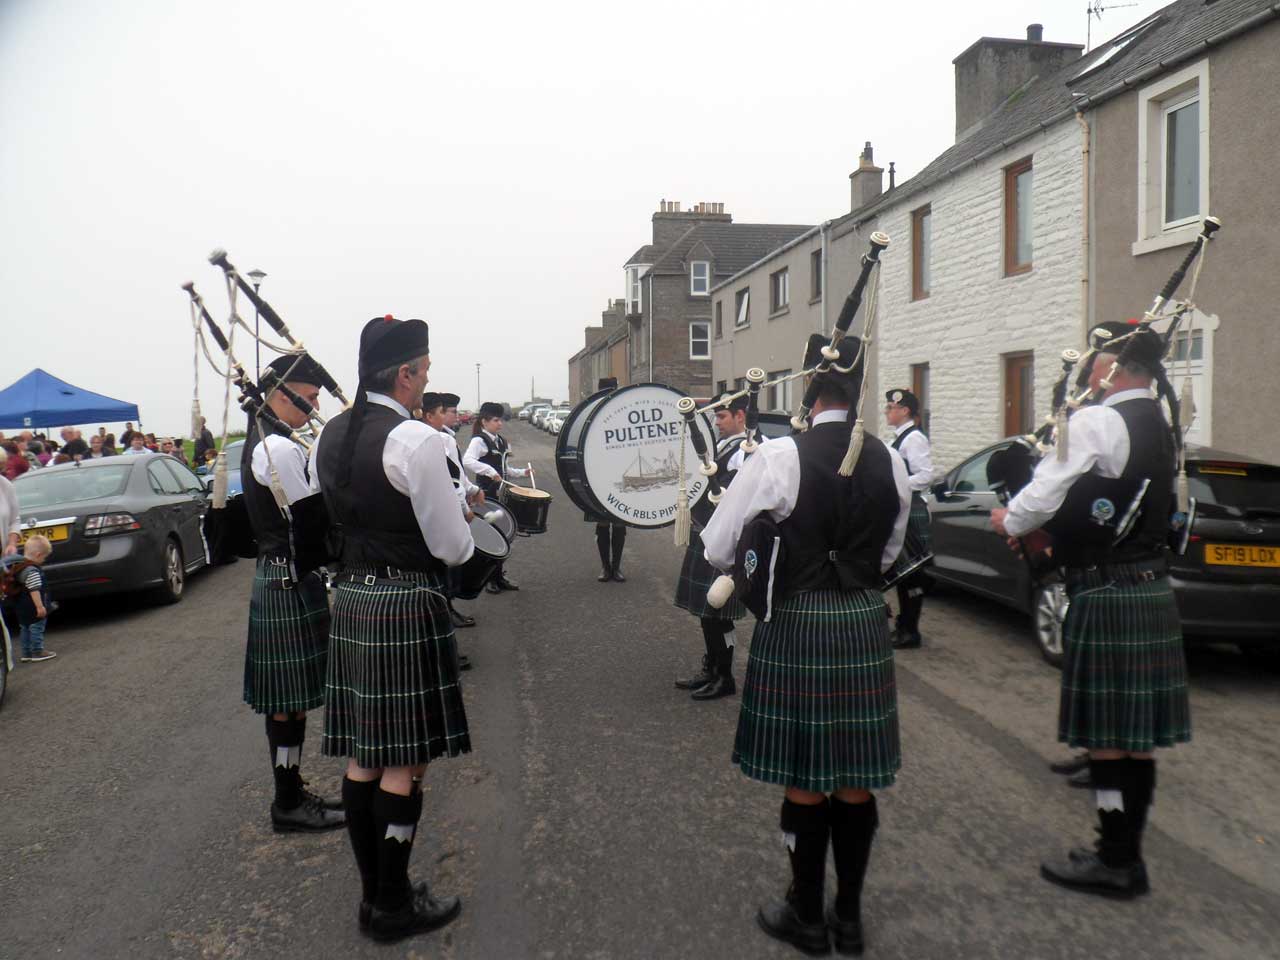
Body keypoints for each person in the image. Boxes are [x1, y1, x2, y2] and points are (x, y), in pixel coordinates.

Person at [702, 334, 911, 956]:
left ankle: (805, 912)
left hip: (797, 620)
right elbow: (891, 549)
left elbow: (719, 545)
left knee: (803, 772)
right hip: (863, 619)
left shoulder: (778, 457)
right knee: (853, 774)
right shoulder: (890, 459)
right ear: (858, 388)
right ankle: (848, 917)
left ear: (811, 390)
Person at [991, 321, 1190, 900]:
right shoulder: (1161, 422)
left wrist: (1013, 519)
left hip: (1107, 591)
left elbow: (1048, 487)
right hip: (1150, 587)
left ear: (1112, 368)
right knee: (1135, 741)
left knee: (1107, 739)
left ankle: (1114, 857)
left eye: (1099, 362)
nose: (1093, 374)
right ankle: (1126, 853)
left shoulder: (1101, 420)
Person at [313, 315, 473, 943]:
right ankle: (393, 906)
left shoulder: (328, 435)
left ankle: (374, 895)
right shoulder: (415, 442)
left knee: (362, 758)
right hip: (405, 603)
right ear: (405, 374)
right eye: (424, 372)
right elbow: (454, 546)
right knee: (404, 763)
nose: (426, 381)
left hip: (351, 601)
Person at [241, 353, 345, 835]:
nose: (315, 404)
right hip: (288, 574)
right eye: (311, 396)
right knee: (287, 701)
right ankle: (286, 802)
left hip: (279, 572)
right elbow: (310, 522)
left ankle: (290, 792)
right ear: (283, 394)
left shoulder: (267, 439)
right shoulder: (277, 448)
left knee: (290, 701)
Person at [673, 392, 753, 701]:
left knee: (719, 613)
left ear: (740, 417)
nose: (716, 422)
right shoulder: (720, 447)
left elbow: (739, 497)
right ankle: (712, 668)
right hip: (707, 533)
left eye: (722, 416)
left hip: (726, 540)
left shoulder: (747, 451)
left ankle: (725, 677)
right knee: (707, 613)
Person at [421, 391, 478, 647]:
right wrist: (464, 506)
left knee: (446, 569)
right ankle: (446, 613)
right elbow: (451, 480)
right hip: (446, 508)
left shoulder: (446, 437)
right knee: (445, 567)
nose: (449, 416)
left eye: (451, 411)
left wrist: (472, 490)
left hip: (446, 505)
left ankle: (449, 608)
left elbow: (458, 474)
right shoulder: (438, 439)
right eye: (445, 411)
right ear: (429, 414)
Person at [883, 389, 934, 649]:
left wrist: (896, 484)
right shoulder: (900, 437)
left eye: (891, 407)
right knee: (903, 574)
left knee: (911, 572)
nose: (887, 411)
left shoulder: (913, 438)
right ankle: (904, 626)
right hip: (903, 507)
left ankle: (910, 630)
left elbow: (925, 475)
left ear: (904, 411)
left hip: (912, 509)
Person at [463, 402, 527, 593]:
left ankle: (499, 577)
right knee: (491, 537)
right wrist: (489, 471)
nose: (500, 424)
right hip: (486, 496)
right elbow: (468, 460)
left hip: (502, 495)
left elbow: (504, 469)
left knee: (505, 536)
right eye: (496, 420)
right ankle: (490, 579)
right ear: (484, 421)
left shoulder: (501, 441)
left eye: (500, 420)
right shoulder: (479, 441)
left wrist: (522, 472)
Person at [585, 378, 628, 583]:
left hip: (619, 476)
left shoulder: (622, 414)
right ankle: (605, 567)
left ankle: (617, 567)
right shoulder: (592, 416)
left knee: (619, 525)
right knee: (602, 524)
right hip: (598, 478)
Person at [14, 535, 56, 662]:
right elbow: (34, 590)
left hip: (21, 607)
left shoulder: (19, 567)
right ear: (38, 555)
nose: (43, 560)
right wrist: (40, 606)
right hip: (33, 606)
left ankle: (26, 653)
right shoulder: (32, 571)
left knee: (25, 628)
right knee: (37, 627)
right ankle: (37, 651)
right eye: (44, 557)